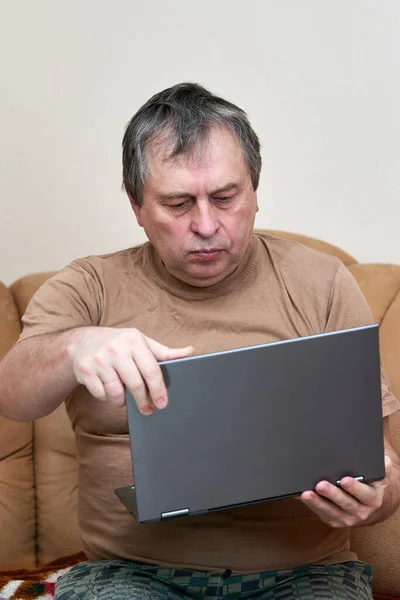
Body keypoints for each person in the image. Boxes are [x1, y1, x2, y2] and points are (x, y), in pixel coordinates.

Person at [0, 83, 399, 600]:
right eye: (178, 203)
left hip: (306, 575)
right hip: (131, 575)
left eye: (226, 198)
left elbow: (384, 466)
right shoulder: (90, 285)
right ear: (137, 205)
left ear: (254, 191)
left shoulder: (322, 283)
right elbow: (12, 393)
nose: (207, 225)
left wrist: (379, 495)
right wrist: (75, 347)